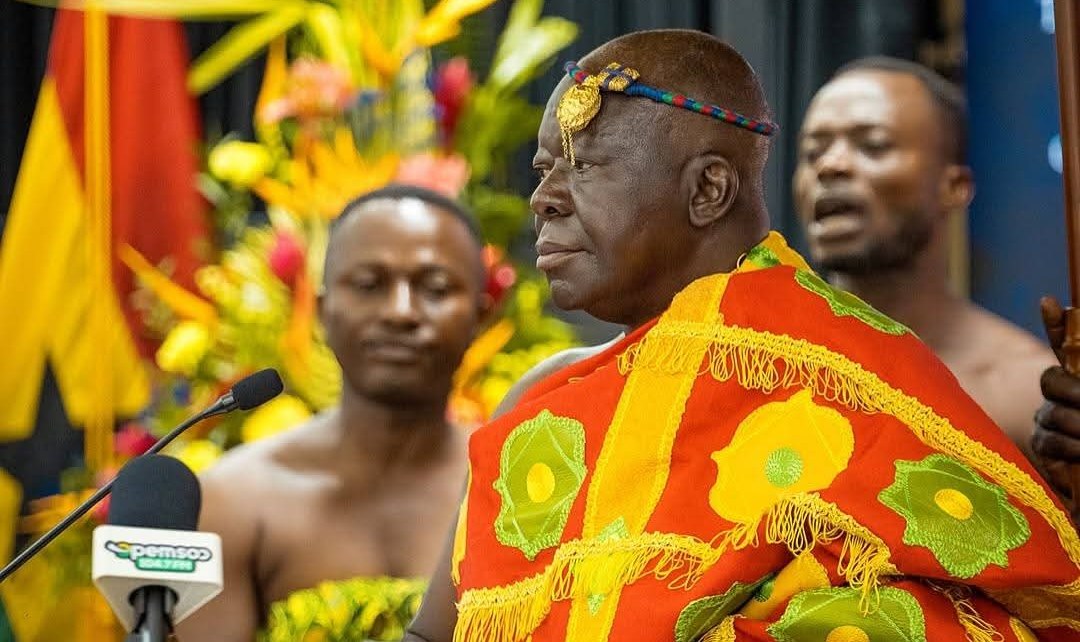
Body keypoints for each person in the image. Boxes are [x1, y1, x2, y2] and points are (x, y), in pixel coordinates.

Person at [404, 30, 1080, 642]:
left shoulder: (861, 381)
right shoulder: (540, 405)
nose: (544, 197)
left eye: (585, 166)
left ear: (709, 190)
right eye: (543, 169)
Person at [177, 185, 491, 642]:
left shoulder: (519, 485)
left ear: (480, 316)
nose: (400, 312)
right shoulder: (234, 500)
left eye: (435, 288)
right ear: (322, 311)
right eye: (368, 285)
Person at [792, 57, 1058, 462]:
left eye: (873, 145)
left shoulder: (1025, 396)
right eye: (813, 152)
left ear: (953, 186)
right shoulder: (755, 364)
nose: (830, 166)